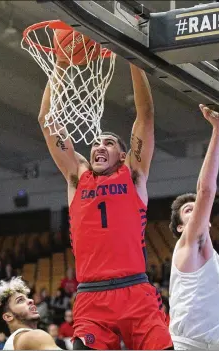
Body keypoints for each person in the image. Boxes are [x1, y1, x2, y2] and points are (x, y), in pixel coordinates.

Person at [39, 62, 172, 350]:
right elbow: (46, 120)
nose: (99, 146)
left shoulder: (133, 175)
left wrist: (132, 59)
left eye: (109, 143)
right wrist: (60, 67)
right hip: (92, 297)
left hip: (136, 292)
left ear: (123, 156)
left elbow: (146, 116)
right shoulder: (77, 177)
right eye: (96, 142)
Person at [168, 105, 219, 350]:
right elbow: (206, 191)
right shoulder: (188, 242)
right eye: (189, 210)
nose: (196, 209)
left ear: (207, 220)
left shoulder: (212, 260)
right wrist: (217, 130)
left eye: (197, 209)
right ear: (180, 228)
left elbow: (204, 298)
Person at [0, 277, 62, 350]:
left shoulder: (12, 342)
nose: (31, 300)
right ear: (8, 316)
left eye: (27, 298)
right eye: (20, 300)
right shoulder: (32, 336)